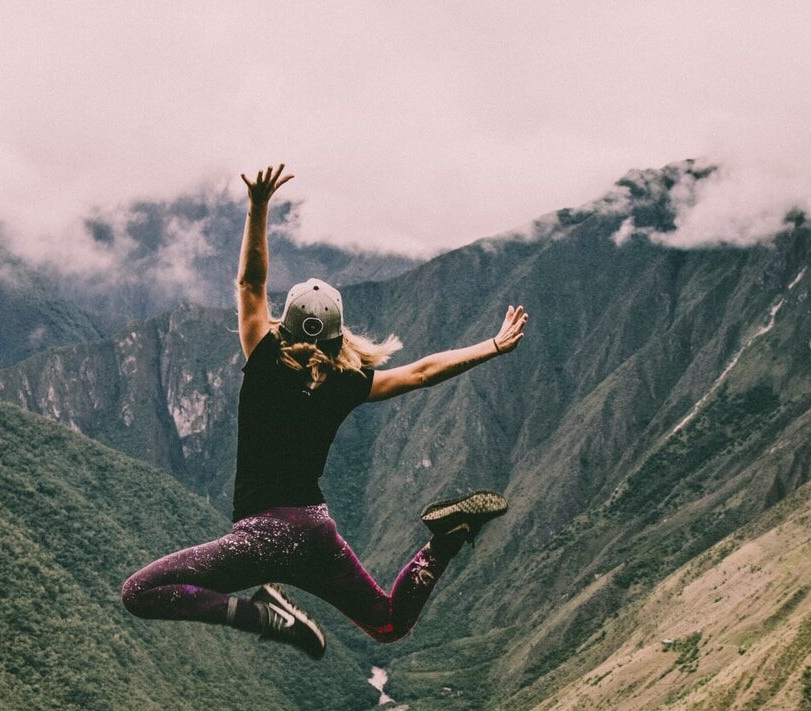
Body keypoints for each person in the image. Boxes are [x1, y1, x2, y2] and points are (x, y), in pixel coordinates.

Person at [121, 163, 529, 658]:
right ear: (340, 334)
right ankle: (443, 542)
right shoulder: (347, 382)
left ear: (284, 325)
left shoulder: (265, 358)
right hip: (315, 533)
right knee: (388, 623)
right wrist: (491, 345)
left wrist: (258, 206)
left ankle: (263, 617)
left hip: (261, 538)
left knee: (140, 593)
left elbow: (251, 284)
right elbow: (422, 372)